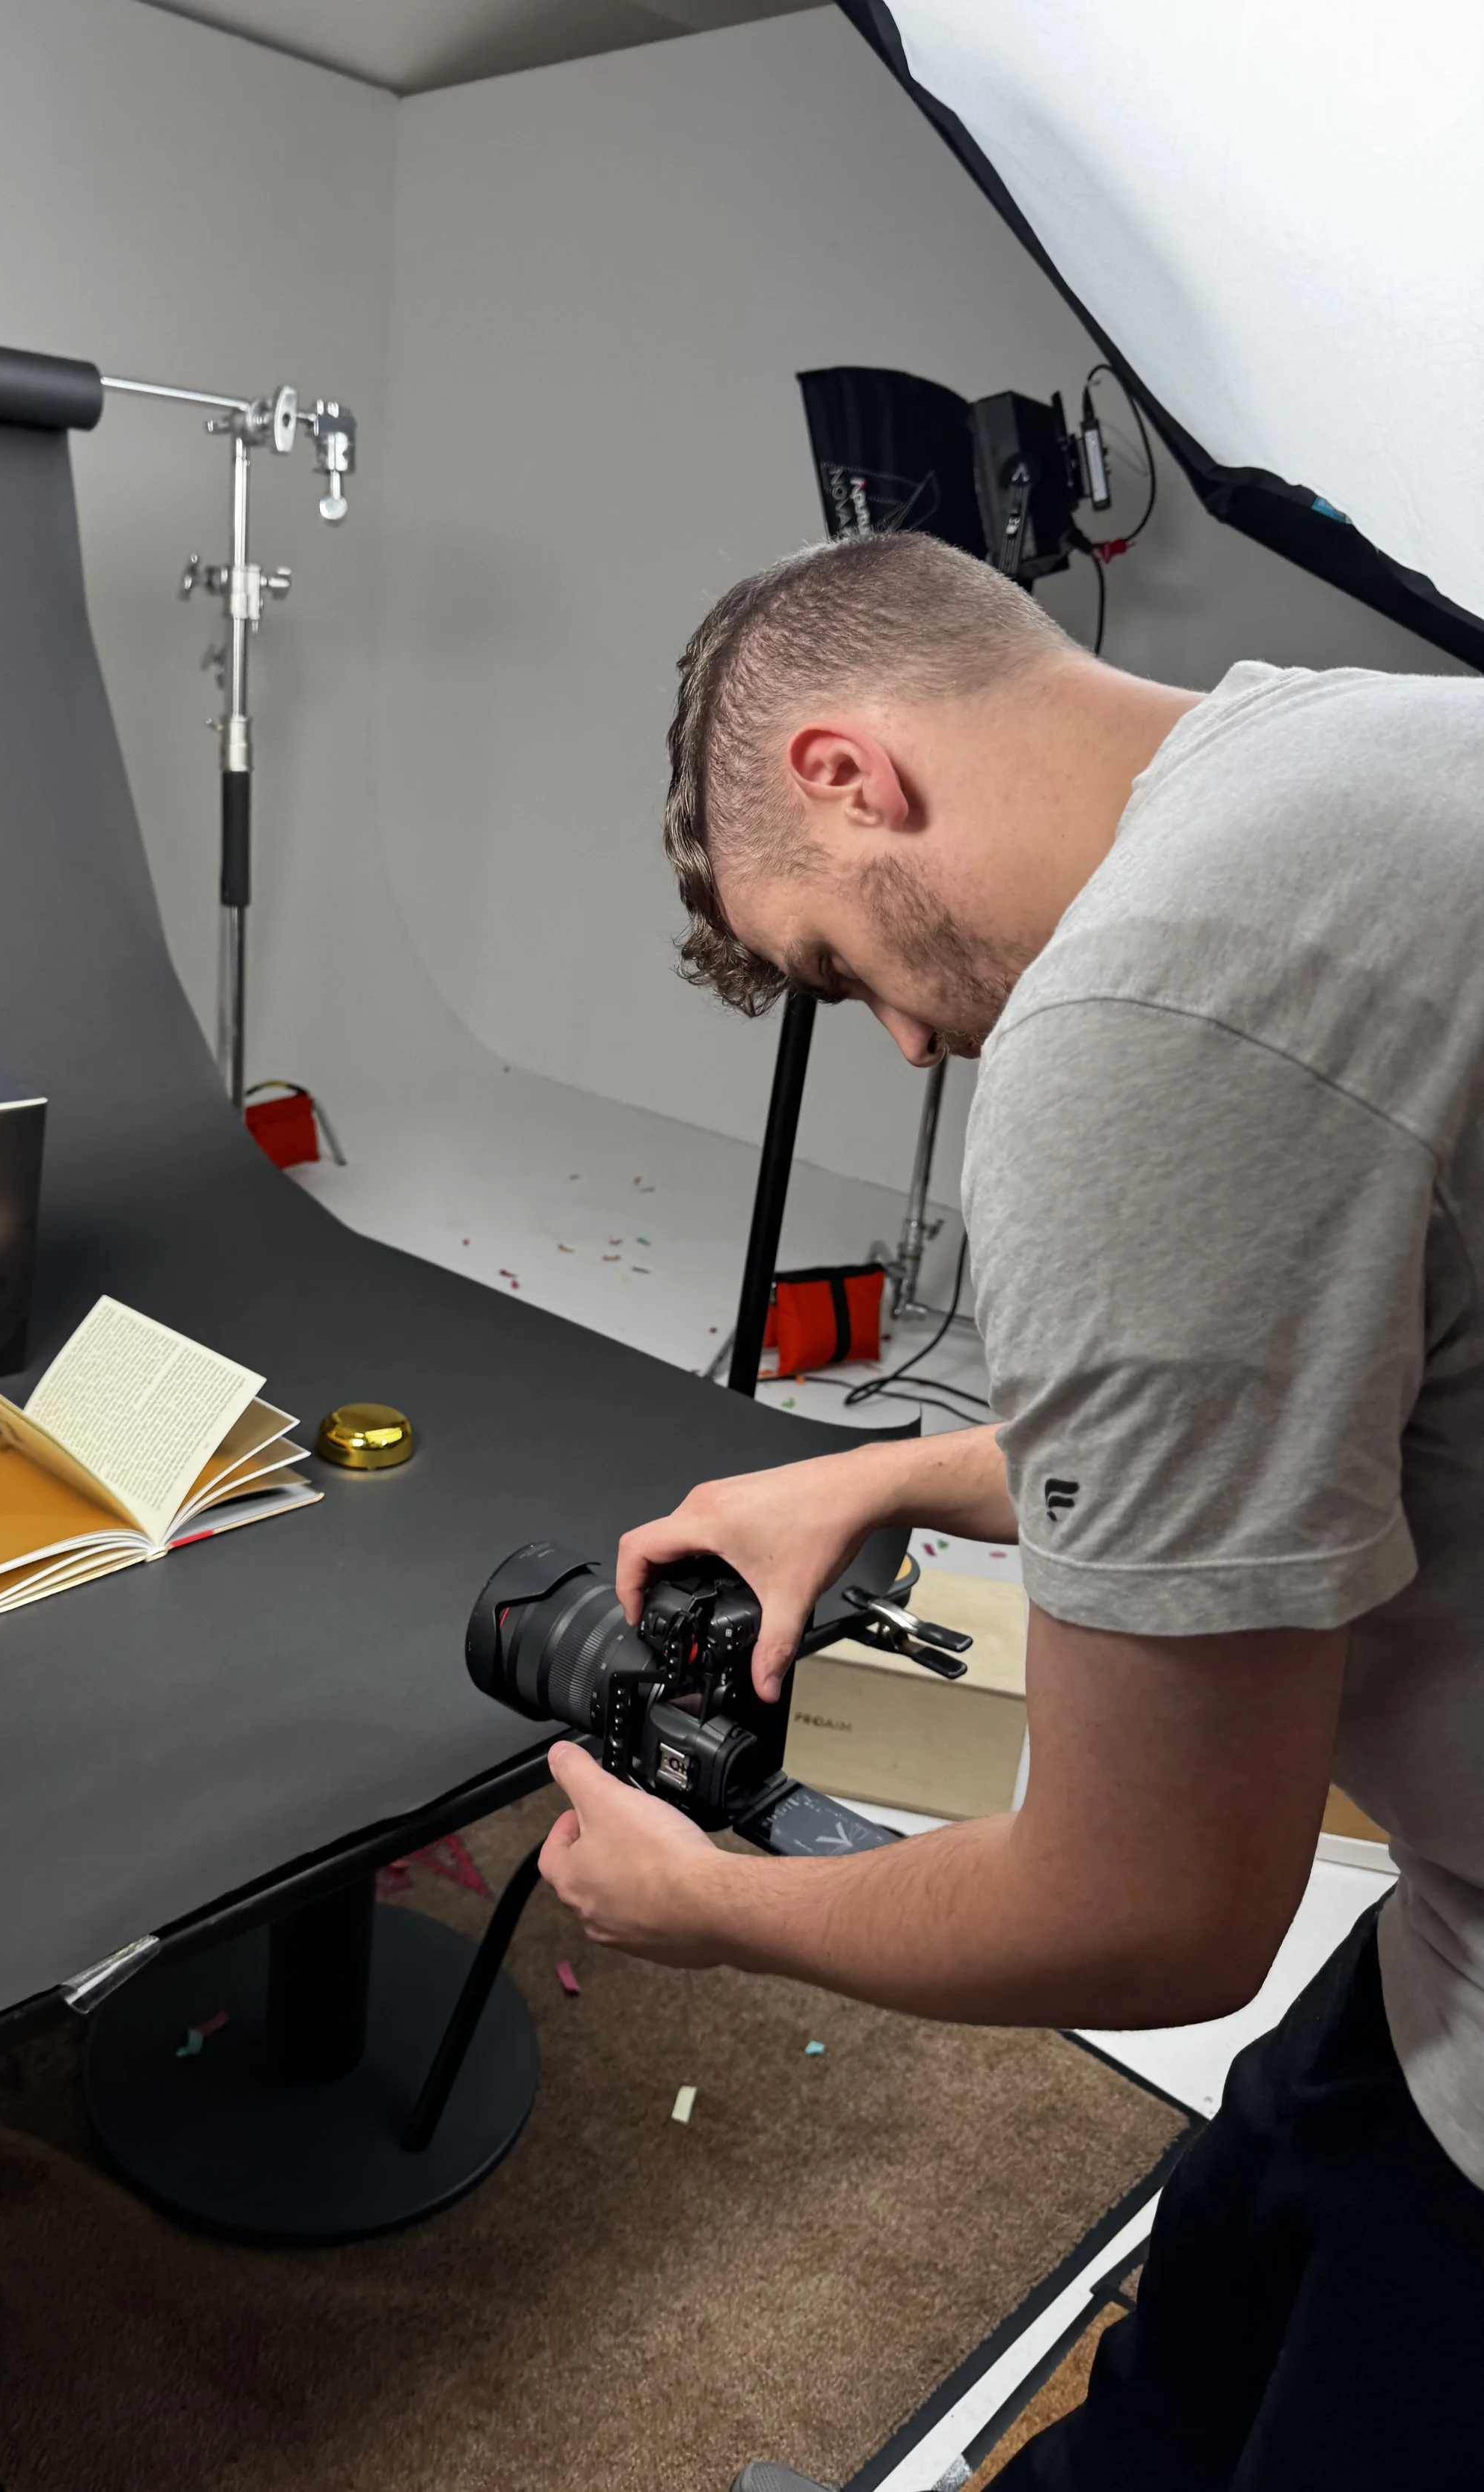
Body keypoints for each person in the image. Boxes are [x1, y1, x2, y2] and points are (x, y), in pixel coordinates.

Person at [535, 531, 1484, 2488]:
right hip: (1452, 1920)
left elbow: (1146, 1909)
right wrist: (891, 1468)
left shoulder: (1153, 1016)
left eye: (834, 962)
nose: (898, 1037)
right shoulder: (1374, 758)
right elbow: (1334, 1405)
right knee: (1221, 2261)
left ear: (843, 771)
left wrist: (710, 1905)